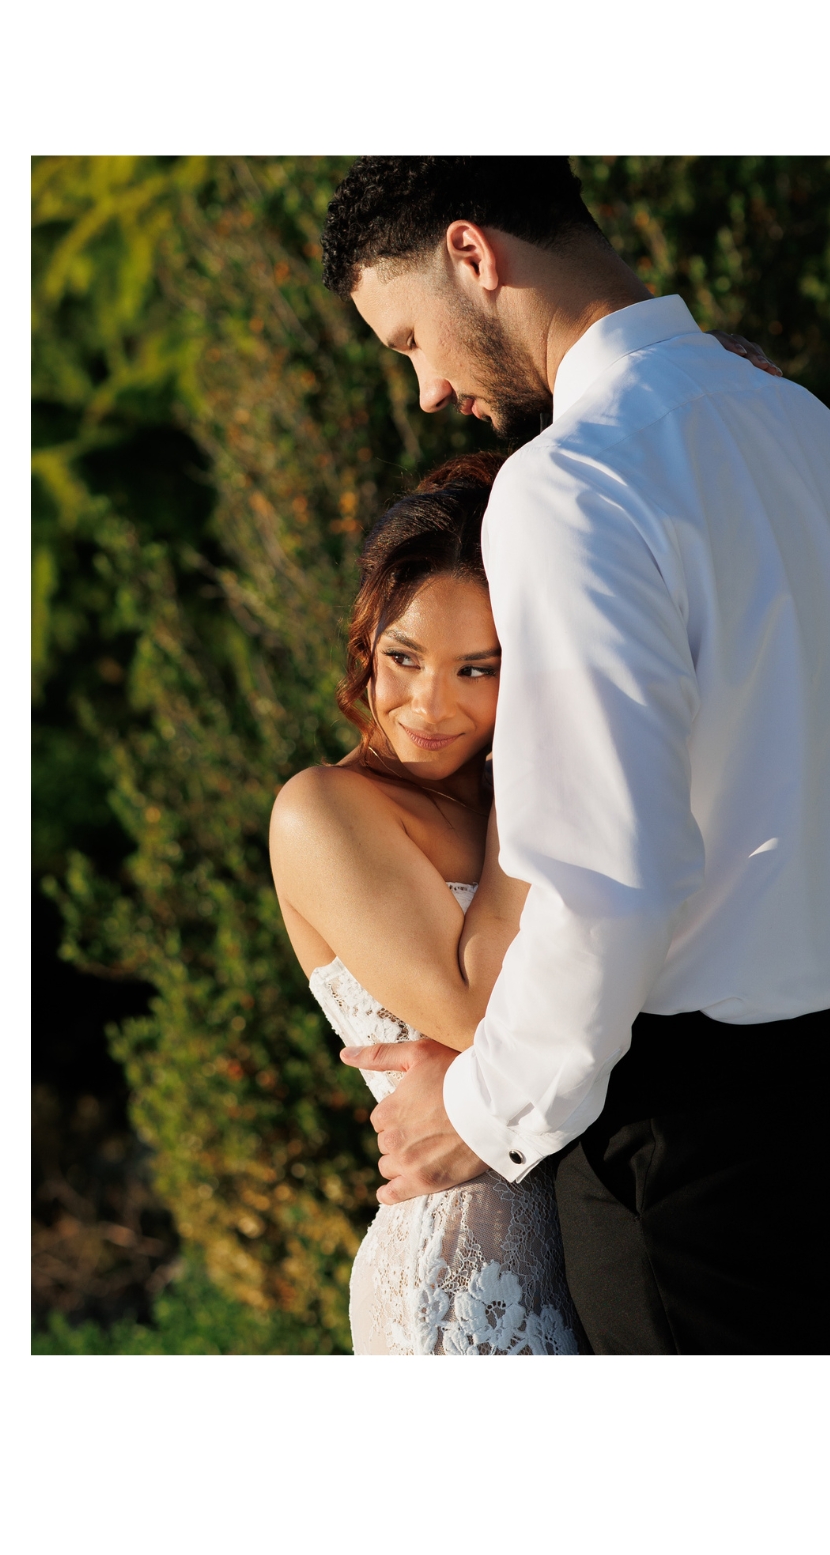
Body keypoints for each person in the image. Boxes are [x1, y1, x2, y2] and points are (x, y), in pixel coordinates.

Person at [317, 156, 830, 1353]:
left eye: (406, 340)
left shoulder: (568, 481)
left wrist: (480, 1111)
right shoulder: (800, 422)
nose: (428, 389)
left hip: (685, 1143)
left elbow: (609, 875)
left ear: (470, 253)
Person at [271, 456, 580, 1354]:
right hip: (460, 1267)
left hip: (583, 1224)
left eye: (476, 671)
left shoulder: (493, 801)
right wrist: (530, 766)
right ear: (367, 642)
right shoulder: (322, 808)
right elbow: (478, 1007)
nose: (429, 706)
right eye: (403, 659)